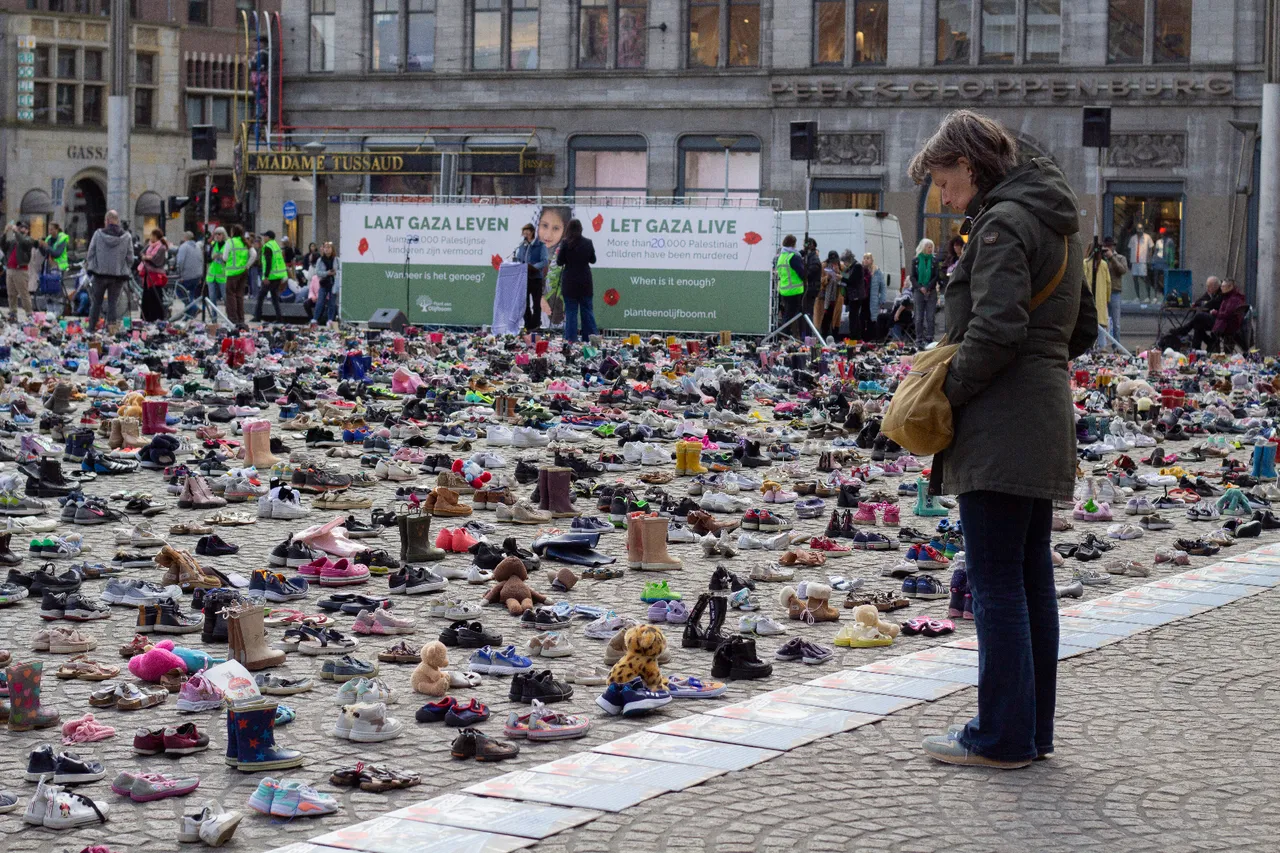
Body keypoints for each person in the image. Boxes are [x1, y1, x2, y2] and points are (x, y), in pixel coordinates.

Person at [907, 109, 1094, 769]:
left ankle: (1000, 736)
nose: (945, 196)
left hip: (999, 424)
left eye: (945, 181)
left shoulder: (1002, 224)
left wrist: (943, 392)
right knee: (1030, 575)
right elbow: (1083, 328)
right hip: (1042, 414)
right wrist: (1041, 361)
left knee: (995, 582)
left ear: (969, 164)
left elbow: (995, 329)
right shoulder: (1056, 222)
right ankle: (1030, 730)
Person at [84, 209, 134, 331]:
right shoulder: (126, 236)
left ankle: (91, 328)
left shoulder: (98, 234)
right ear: (118, 221)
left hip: (99, 275)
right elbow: (130, 258)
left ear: (107, 220)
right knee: (113, 304)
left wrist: (93, 267)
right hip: (118, 276)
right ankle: (111, 330)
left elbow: (90, 254)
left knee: (96, 303)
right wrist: (123, 268)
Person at [555, 218, 598, 343]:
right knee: (587, 311)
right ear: (581, 229)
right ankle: (590, 339)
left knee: (571, 313)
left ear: (568, 229)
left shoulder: (565, 243)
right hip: (585, 282)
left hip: (570, 283)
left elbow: (559, 262)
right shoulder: (588, 242)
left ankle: (571, 340)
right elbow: (593, 260)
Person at [538, 205, 571, 327]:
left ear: (564, 230)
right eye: (544, 226)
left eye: (556, 228)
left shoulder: (565, 253)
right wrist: (539, 298)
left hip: (556, 315)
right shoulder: (530, 251)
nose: (548, 235)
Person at [1169, 275, 1223, 350]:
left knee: (1199, 317)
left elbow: (1211, 303)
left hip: (1219, 320)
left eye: (1209, 286)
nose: (1207, 288)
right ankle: (1198, 347)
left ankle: (1185, 330)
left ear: (1215, 286)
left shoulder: (1221, 293)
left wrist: (1205, 303)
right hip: (1212, 318)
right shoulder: (1212, 291)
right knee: (1198, 323)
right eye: (1207, 286)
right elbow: (1199, 301)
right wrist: (1203, 303)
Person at [1, 221, 38, 321]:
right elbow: (3, 245)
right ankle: (13, 313)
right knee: (11, 293)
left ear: (27, 230)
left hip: (20, 270)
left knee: (23, 293)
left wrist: (16, 232)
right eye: (19, 227)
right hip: (10, 269)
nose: (20, 229)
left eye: (23, 228)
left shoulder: (29, 240)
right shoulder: (13, 241)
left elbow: (23, 242)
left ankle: (29, 313)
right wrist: (5, 232)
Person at [515, 223, 548, 331]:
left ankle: (535, 325)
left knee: (536, 303)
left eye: (527, 232)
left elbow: (544, 261)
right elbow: (519, 258)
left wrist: (533, 267)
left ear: (532, 232)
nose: (525, 235)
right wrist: (517, 263)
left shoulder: (540, 245)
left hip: (536, 278)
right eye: (524, 233)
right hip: (524, 278)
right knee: (524, 303)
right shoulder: (522, 245)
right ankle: (528, 325)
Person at [909, 238, 940, 342]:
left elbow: (936, 276)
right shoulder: (916, 260)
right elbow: (912, 277)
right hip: (919, 291)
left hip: (931, 291)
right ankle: (919, 338)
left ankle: (930, 337)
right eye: (928, 247)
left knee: (930, 316)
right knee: (919, 316)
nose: (930, 249)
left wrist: (928, 287)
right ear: (923, 248)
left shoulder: (935, 261)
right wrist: (920, 287)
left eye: (931, 247)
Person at [138, 228, 171, 322]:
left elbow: (156, 260)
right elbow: (142, 253)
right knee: (146, 296)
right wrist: (145, 256)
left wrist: (146, 258)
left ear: (156, 236)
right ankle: (146, 317)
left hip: (155, 276)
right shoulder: (150, 245)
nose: (150, 237)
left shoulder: (161, 248)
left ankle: (155, 317)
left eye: (152, 235)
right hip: (147, 275)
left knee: (154, 296)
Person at [775, 234, 806, 330]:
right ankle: (785, 334)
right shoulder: (793, 257)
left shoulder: (781, 256)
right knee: (790, 316)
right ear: (793, 244)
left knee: (788, 314)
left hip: (784, 290)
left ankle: (786, 334)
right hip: (794, 290)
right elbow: (802, 273)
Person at [255, 229, 286, 324]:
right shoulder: (276, 245)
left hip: (270, 277)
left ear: (268, 237)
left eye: (265, 236)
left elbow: (268, 262)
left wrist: (266, 276)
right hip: (278, 276)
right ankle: (279, 318)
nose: (263, 238)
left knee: (261, 296)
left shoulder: (268, 247)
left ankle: (257, 316)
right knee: (274, 298)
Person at [222, 225, 250, 326]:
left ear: (233, 232)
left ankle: (233, 319)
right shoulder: (245, 242)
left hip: (232, 273)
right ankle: (241, 319)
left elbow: (225, 257)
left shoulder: (230, 242)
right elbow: (254, 254)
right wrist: (247, 265)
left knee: (230, 296)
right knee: (239, 295)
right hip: (243, 272)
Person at [1212, 278, 1249, 352]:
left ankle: (1212, 349)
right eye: (1221, 286)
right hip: (1227, 324)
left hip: (1227, 326)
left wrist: (1215, 313)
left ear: (1230, 287)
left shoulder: (1233, 299)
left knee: (1200, 319)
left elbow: (1226, 315)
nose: (1221, 288)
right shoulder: (1230, 296)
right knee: (1200, 322)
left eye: (1223, 286)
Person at [813, 250, 842, 337]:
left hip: (836, 297)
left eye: (835, 261)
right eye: (832, 261)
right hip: (824, 297)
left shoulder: (841, 266)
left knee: (835, 317)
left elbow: (846, 278)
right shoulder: (823, 266)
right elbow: (819, 281)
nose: (834, 263)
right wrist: (827, 278)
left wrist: (838, 272)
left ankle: (834, 336)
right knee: (824, 317)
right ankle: (823, 335)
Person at [175, 231, 204, 315]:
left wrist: (179, 274)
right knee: (190, 295)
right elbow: (201, 260)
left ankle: (194, 308)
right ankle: (189, 315)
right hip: (197, 276)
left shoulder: (184, 247)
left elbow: (180, 261)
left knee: (179, 290)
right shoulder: (198, 247)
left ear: (185, 238)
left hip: (187, 276)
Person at [312, 242, 339, 326]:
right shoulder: (320, 260)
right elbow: (317, 272)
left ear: (332, 249)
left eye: (329, 247)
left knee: (332, 302)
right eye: (325, 248)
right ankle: (315, 319)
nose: (327, 249)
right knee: (320, 301)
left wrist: (335, 273)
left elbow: (340, 270)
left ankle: (330, 319)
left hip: (333, 283)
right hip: (323, 283)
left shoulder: (336, 259)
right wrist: (327, 273)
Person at [839, 250, 864, 339]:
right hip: (852, 296)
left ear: (848, 259)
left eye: (845, 262)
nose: (845, 264)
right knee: (853, 315)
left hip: (856, 295)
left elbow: (852, 281)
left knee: (854, 316)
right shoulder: (852, 267)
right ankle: (855, 335)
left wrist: (841, 278)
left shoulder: (857, 266)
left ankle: (855, 336)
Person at [864, 252, 888, 339]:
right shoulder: (862, 270)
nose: (866, 260)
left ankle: (873, 338)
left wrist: (882, 299)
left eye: (868, 258)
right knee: (863, 318)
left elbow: (883, 287)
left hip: (873, 298)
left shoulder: (877, 272)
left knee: (873, 318)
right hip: (863, 298)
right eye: (864, 258)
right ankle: (864, 337)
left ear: (872, 260)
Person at [204, 227, 229, 310]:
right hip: (211, 275)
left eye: (219, 234)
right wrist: (212, 257)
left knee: (225, 297)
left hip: (222, 275)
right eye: (215, 234)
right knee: (212, 297)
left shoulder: (227, 245)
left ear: (223, 235)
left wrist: (223, 258)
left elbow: (230, 260)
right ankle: (214, 316)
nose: (217, 236)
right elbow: (207, 259)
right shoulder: (213, 244)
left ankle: (229, 314)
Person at [800, 238, 823, 323]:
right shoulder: (809, 256)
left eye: (805, 244)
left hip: (811, 288)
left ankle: (808, 329)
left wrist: (803, 273)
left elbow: (811, 271)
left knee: (808, 310)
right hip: (810, 287)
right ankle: (806, 328)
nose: (804, 246)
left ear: (811, 245)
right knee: (805, 310)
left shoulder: (813, 258)